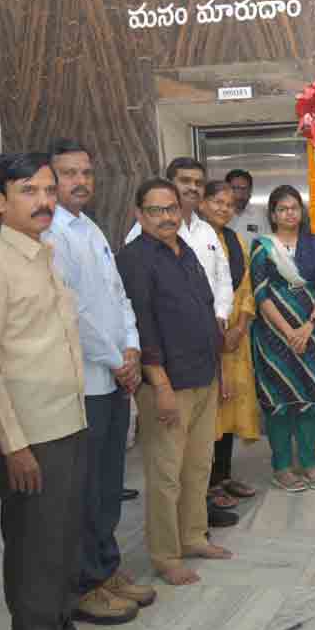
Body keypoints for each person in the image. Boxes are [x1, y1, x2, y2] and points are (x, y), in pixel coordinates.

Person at [0, 152, 113, 630]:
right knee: (35, 547)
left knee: (61, 541)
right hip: (31, 437)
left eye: (48, 191)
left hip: (67, 421)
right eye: (28, 191)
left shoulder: (45, 254)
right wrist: (13, 444)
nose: (44, 202)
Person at [44, 138, 156, 625]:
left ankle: (106, 570)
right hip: (85, 382)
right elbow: (73, 311)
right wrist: (117, 358)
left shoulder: (88, 227)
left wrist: (131, 347)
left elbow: (117, 299)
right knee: (85, 490)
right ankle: (84, 583)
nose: (80, 181)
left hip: (113, 376)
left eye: (86, 172)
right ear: (51, 180)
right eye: (69, 173)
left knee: (110, 484)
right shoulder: (51, 232)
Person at [117, 178, 232, 586]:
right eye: (156, 210)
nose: (166, 216)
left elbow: (204, 310)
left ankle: (193, 536)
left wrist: (219, 372)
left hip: (202, 374)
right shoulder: (135, 259)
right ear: (139, 215)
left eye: (171, 209)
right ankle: (166, 555)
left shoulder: (183, 252)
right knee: (166, 474)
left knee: (198, 466)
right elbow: (141, 326)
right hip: (168, 385)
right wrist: (160, 385)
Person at [249, 186, 315, 491]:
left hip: (312, 332)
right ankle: (282, 467)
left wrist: (308, 326)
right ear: (272, 214)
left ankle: (310, 464)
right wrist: (288, 332)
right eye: (283, 208)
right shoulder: (262, 247)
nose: (290, 213)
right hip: (274, 337)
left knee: (313, 397)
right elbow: (260, 295)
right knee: (279, 401)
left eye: (294, 207)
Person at [197, 180, 260, 519]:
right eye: (216, 202)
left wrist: (241, 325)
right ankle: (206, 486)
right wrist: (219, 331)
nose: (223, 208)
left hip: (236, 340)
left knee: (231, 407)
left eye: (228, 204)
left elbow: (247, 285)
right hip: (208, 339)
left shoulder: (235, 240)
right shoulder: (192, 239)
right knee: (211, 414)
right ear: (203, 204)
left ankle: (223, 476)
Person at [126, 157, 234, 331]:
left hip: (209, 329)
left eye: (199, 183)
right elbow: (136, 293)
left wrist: (221, 314)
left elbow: (223, 278)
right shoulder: (145, 229)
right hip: (168, 333)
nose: (193, 187)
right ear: (169, 184)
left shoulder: (207, 230)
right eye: (185, 181)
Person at [225, 169, 269, 240]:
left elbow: (267, 243)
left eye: (243, 188)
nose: (238, 194)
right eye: (234, 188)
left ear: (250, 190)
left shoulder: (262, 215)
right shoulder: (220, 214)